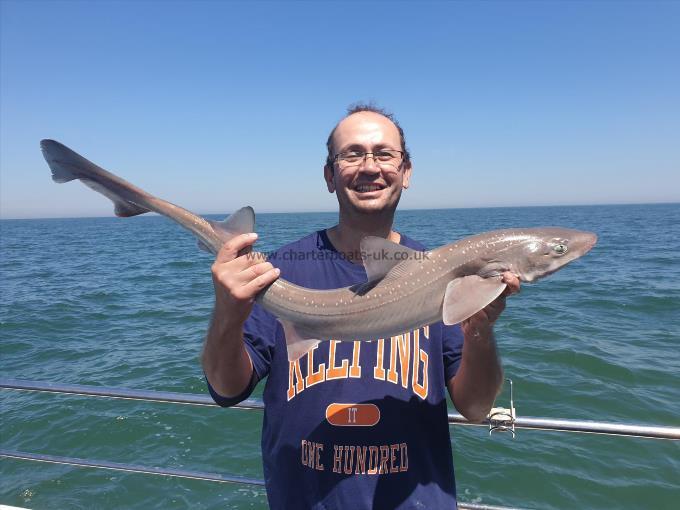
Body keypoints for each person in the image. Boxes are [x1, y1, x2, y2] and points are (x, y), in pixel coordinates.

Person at [202, 105, 520, 509]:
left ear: (406, 172)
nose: (370, 166)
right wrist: (228, 312)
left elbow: (476, 408)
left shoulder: (447, 279)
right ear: (329, 176)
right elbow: (227, 388)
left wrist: (479, 327)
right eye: (351, 154)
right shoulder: (278, 274)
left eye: (384, 154)